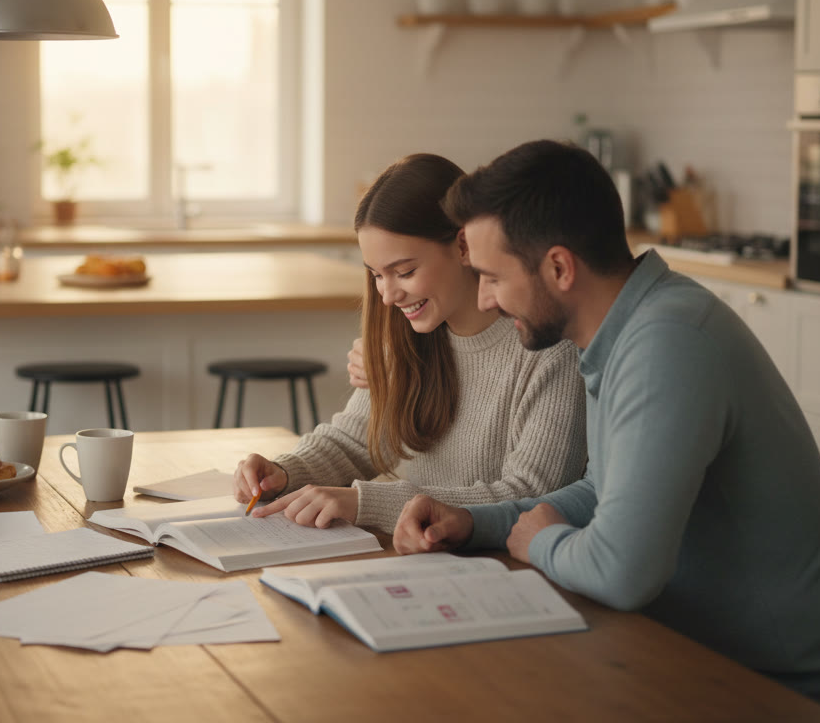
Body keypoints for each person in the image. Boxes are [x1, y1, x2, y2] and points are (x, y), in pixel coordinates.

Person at [392, 140, 820, 718]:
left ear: (560, 268)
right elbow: (600, 491)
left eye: (493, 276)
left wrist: (539, 541)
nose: (487, 299)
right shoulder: (623, 331)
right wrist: (473, 522)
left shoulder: (668, 345)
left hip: (774, 693)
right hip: (688, 655)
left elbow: (622, 573)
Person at [233, 153, 587, 534]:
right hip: (413, 557)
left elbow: (531, 494)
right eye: (376, 276)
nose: (387, 296)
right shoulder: (408, 333)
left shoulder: (550, 350)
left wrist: (367, 502)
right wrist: (284, 472)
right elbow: (357, 442)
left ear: (464, 246)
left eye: (404, 272)